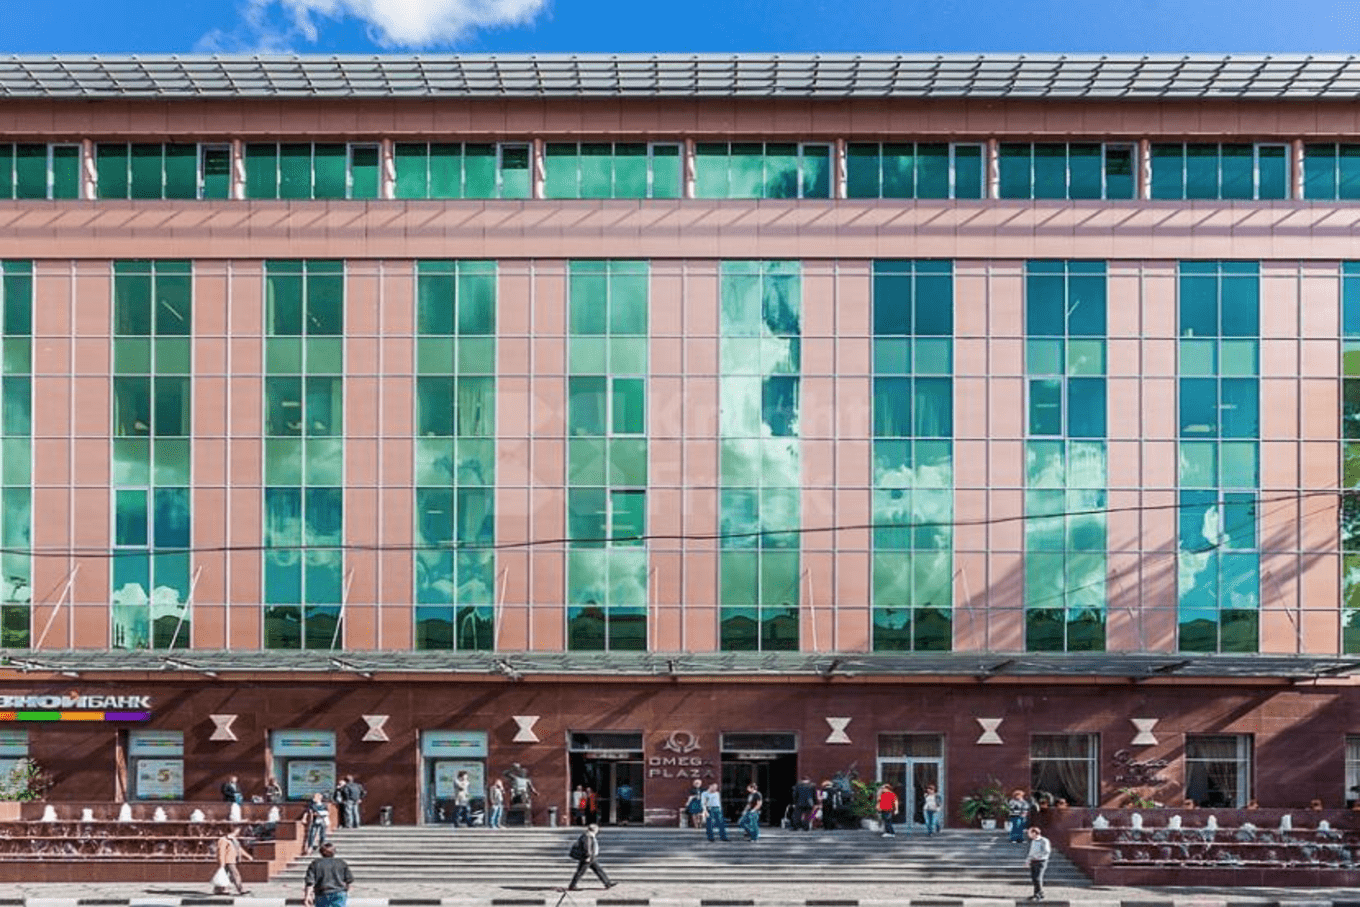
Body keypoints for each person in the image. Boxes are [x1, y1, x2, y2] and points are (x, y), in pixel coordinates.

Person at [566, 822, 616, 891]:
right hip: (587, 858)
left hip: (591, 857)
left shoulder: (589, 835)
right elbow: (587, 847)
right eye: (597, 829)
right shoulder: (588, 836)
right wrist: (588, 856)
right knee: (580, 872)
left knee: (598, 870)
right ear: (594, 830)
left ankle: (607, 883)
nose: (598, 831)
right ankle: (572, 886)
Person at [303, 841, 353, 907]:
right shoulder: (341, 863)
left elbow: (310, 882)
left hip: (322, 893)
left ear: (321, 852)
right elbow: (349, 880)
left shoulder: (315, 863)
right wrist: (346, 891)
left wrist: (307, 896)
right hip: (339, 892)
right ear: (334, 852)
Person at [213, 826, 252, 895]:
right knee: (235, 874)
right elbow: (221, 852)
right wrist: (222, 863)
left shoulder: (234, 840)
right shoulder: (223, 840)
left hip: (232, 860)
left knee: (224, 875)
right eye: (237, 831)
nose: (238, 832)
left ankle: (219, 889)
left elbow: (239, 849)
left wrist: (247, 856)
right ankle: (240, 889)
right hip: (227, 860)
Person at [1025, 825, 1051, 901]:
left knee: (1038, 878)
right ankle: (1036, 894)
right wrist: (1028, 861)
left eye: (1029, 833)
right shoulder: (1033, 841)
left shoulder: (1044, 840)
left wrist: (1038, 857)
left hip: (1041, 861)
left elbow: (1046, 851)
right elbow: (1031, 852)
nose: (1028, 835)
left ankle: (1040, 895)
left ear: (1034, 833)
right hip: (1033, 861)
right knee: (1034, 878)